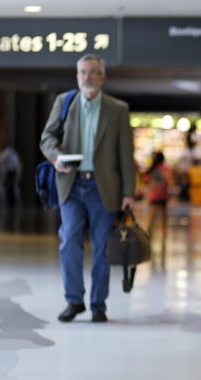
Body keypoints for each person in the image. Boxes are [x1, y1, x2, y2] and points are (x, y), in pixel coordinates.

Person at [40, 54, 136, 323]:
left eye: (93, 72)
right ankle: (74, 300)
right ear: (77, 76)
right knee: (69, 241)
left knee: (102, 247)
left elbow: (125, 154)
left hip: (103, 187)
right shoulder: (64, 102)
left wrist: (129, 192)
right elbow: (47, 138)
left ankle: (98, 304)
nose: (87, 77)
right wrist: (55, 157)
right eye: (82, 72)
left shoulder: (117, 109)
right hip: (71, 185)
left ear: (102, 77)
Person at [144, 151, 172, 234]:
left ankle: (148, 228)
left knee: (152, 213)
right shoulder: (166, 169)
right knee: (164, 214)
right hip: (163, 195)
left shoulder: (152, 169)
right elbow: (169, 180)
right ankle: (164, 231)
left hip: (153, 195)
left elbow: (145, 180)